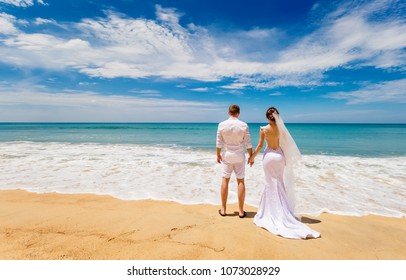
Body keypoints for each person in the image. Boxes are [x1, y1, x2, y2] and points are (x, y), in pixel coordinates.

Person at [249, 107, 320, 239]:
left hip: (269, 156)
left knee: (269, 184)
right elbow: (287, 145)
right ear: (277, 116)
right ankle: (283, 212)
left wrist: (252, 156)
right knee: (279, 184)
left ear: (267, 117)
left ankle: (270, 212)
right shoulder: (282, 129)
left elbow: (259, 145)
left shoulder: (263, 129)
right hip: (280, 157)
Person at [216, 105, 252, 218]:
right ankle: (241, 211)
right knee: (240, 181)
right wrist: (251, 156)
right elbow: (248, 143)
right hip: (239, 155)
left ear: (228, 112)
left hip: (227, 155)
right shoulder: (243, 125)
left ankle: (223, 209)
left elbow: (219, 143)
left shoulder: (221, 125)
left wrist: (218, 154)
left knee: (225, 180)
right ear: (238, 113)